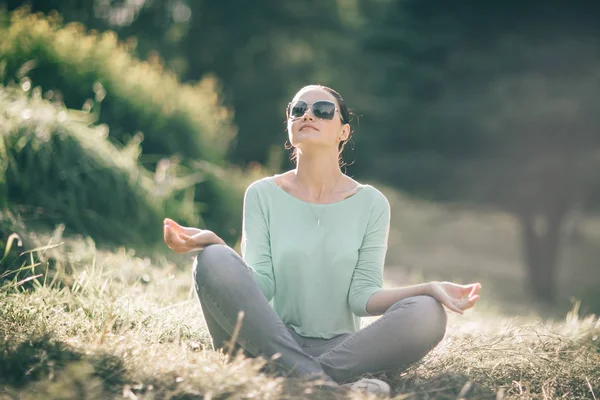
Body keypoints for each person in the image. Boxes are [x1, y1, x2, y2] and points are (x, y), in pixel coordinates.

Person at [163, 84, 481, 397]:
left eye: (323, 110)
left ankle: (295, 379)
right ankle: (331, 390)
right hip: (265, 339)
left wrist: (428, 288)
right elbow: (262, 286)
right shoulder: (261, 194)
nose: (308, 115)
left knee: (428, 311)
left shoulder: (372, 203)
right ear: (289, 125)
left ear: (343, 132)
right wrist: (217, 245)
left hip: (341, 350)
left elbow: (362, 297)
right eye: (297, 110)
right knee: (212, 259)